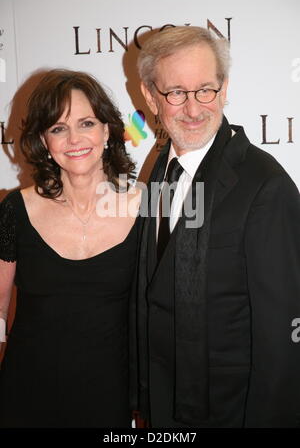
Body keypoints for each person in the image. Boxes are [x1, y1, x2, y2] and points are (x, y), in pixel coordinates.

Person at [130, 26, 300, 428]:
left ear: (224, 89)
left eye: (205, 89)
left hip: (230, 410)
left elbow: (282, 337)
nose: (193, 108)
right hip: (162, 405)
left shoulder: (265, 185)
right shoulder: (159, 168)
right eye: (175, 93)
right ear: (150, 96)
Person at [0, 69, 141, 427]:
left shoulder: (147, 208)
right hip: (25, 395)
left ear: (107, 130)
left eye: (86, 123)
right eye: (59, 128)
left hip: (110, 397)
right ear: (44, 140)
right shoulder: (16, 210)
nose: (74, 139)